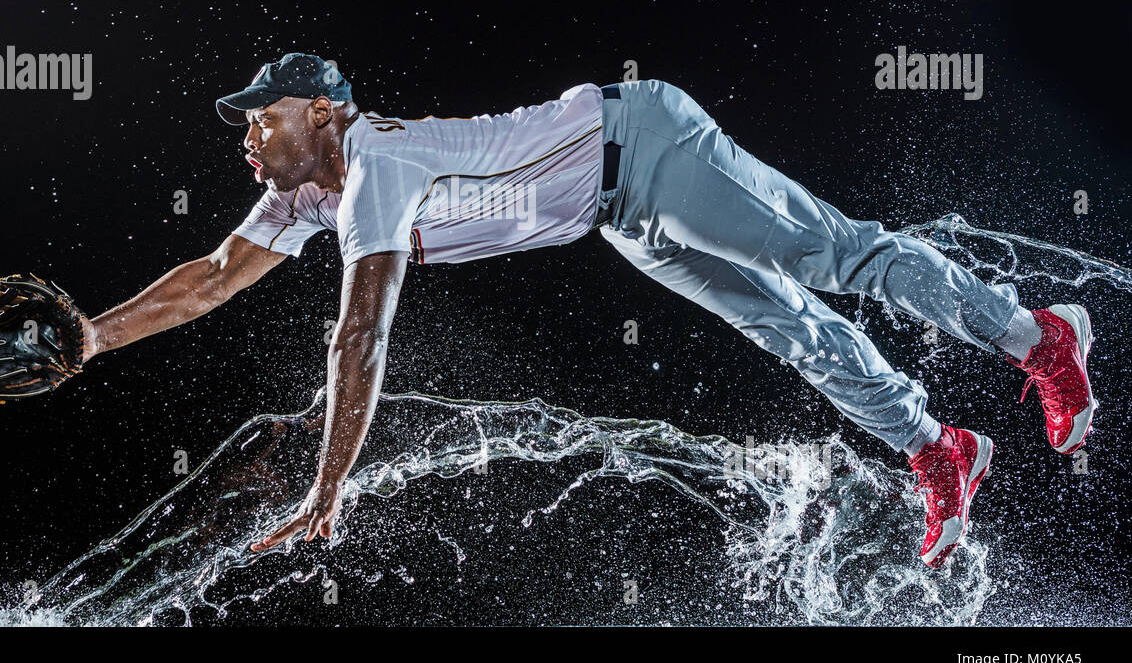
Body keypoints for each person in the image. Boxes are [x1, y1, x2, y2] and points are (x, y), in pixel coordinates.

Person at [78, 53, 1098, 568]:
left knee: (830, 253)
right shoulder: (309, 192)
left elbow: (359, 333)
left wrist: (326, 487)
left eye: (261, 118)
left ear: (321, 112)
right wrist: (92, 334)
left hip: (644, 146)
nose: (248, 138)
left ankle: (1036, 334)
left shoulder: (373, 166)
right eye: (247, 125)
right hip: (613, 208)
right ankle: (935, 447)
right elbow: (212, 274)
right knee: (785, 327)